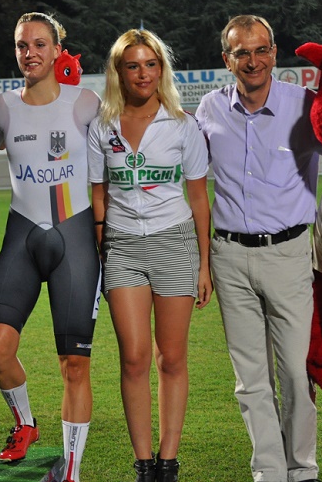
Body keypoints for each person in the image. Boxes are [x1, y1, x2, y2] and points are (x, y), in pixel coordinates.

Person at [0, 12, 101, 482]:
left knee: (74, 364)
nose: (29, 53)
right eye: (21, 45)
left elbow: (113, 161)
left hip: (75, 240)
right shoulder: (3, 107)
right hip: (23, 238)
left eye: (39, 44)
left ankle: (70, 472)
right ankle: (26, 424)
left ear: (57, 50)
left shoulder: (86, 103)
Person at [194, 15, 321, 482]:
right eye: (242, 52)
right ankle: (269, 472)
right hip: (229, 258)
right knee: (250, 380)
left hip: (289, 254)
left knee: (295, 375)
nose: (253, 60)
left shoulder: (304, 105)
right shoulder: (209, 108)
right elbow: (181, 168)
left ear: (274, 53)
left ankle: (302, 470)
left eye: (261, 49)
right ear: (226, 60)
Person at [87, 29, 212, 482]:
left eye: (150, 64)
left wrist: (204, 264)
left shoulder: (182, 124)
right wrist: (103, 251)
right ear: (119, 72)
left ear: (162, 69)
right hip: (122, 247)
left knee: (171, 359)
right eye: (133, 65)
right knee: (134, 358)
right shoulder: (102, 125)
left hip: (175, 243)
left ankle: (168, 461)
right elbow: (98, 195)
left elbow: (198, 198)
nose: (143, 74)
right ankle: (143, 463)